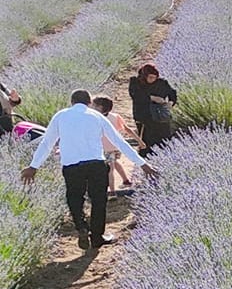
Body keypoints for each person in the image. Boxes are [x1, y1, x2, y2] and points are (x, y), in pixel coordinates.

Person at [21, 90, 156, 250]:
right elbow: (119, 142)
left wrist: (33, 166)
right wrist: (142, 164)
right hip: (96, 164)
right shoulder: (97, 116)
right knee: (99, 200)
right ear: (89, 102)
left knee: (74, 198)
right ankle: (97, 237)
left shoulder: (60, 116)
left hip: (71, 165)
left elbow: (47, 143)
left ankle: (81, 227)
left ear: (71, 101)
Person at [126, 64, 178, 150]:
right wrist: (152, 98)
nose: (153, 80)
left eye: (154, 77)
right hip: (144, 115)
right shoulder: (135, 82)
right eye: (150, 77)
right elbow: (135, 95)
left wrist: (170, 103)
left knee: (164, 138)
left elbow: (172, 93)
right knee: (146, 139)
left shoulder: (161, 83)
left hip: (160, 115)